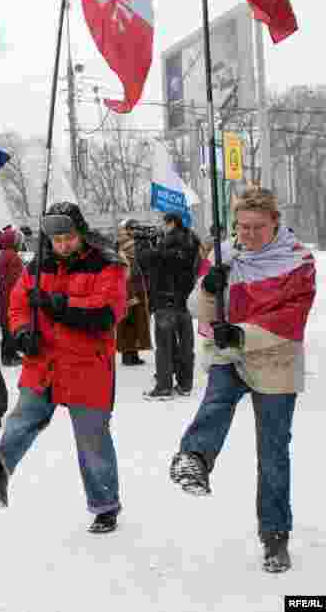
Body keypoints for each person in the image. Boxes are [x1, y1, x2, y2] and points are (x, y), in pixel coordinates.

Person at [169, 187, 315, 574]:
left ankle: (275, 537)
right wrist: (209, 287)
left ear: (275, 223)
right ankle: (194, 459)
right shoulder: (225, 254)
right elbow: (196, 309)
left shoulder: (297, 262)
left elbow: (291, 318)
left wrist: (242, 334)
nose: (247, 235)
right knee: (216, 401)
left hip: (274, 361)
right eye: (241, 227)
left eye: (257, 227)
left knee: (272, 455)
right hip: (229, 355)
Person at [0, 202, 128, 535]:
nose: (63, 245)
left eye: (69, 238)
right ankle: (0, 468)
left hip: (88, 365)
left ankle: (105, 505)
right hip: (43, 361)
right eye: (56, 240)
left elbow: (105, 315)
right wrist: (23, 332)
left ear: (81, 233)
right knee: (24, 417)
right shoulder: (36, 268)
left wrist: (60, 306)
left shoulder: (107, 264)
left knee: (91, 439)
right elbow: (17, 305)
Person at [137, 212, 201, 399]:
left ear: (171, 223)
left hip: (165, 300)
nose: (161, 227)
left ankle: (164, 387)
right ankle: (185, 384)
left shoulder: (169, 244)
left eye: (163, 223)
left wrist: (142, 243)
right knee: (185, 345)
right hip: (184, 300)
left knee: (164, 346)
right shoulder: (191, 242)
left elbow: (147, 260)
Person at [115, 220, 152, 367]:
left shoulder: (130, 254)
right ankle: (128, 354)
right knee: (128, 325)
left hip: (135, 293)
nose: (133, 249)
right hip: (129, 295)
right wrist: (130, 295)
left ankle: (133, 353)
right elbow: (124, 277)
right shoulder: (124, 255)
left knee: (136, 324)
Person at [0, 228, 24, 367]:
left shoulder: (2, 254)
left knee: (6, 326)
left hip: (4, 295)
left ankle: (8, 354)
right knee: (10, 326)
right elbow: (16, 278)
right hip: (11, 295)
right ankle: (9, 356)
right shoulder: (13, 256)